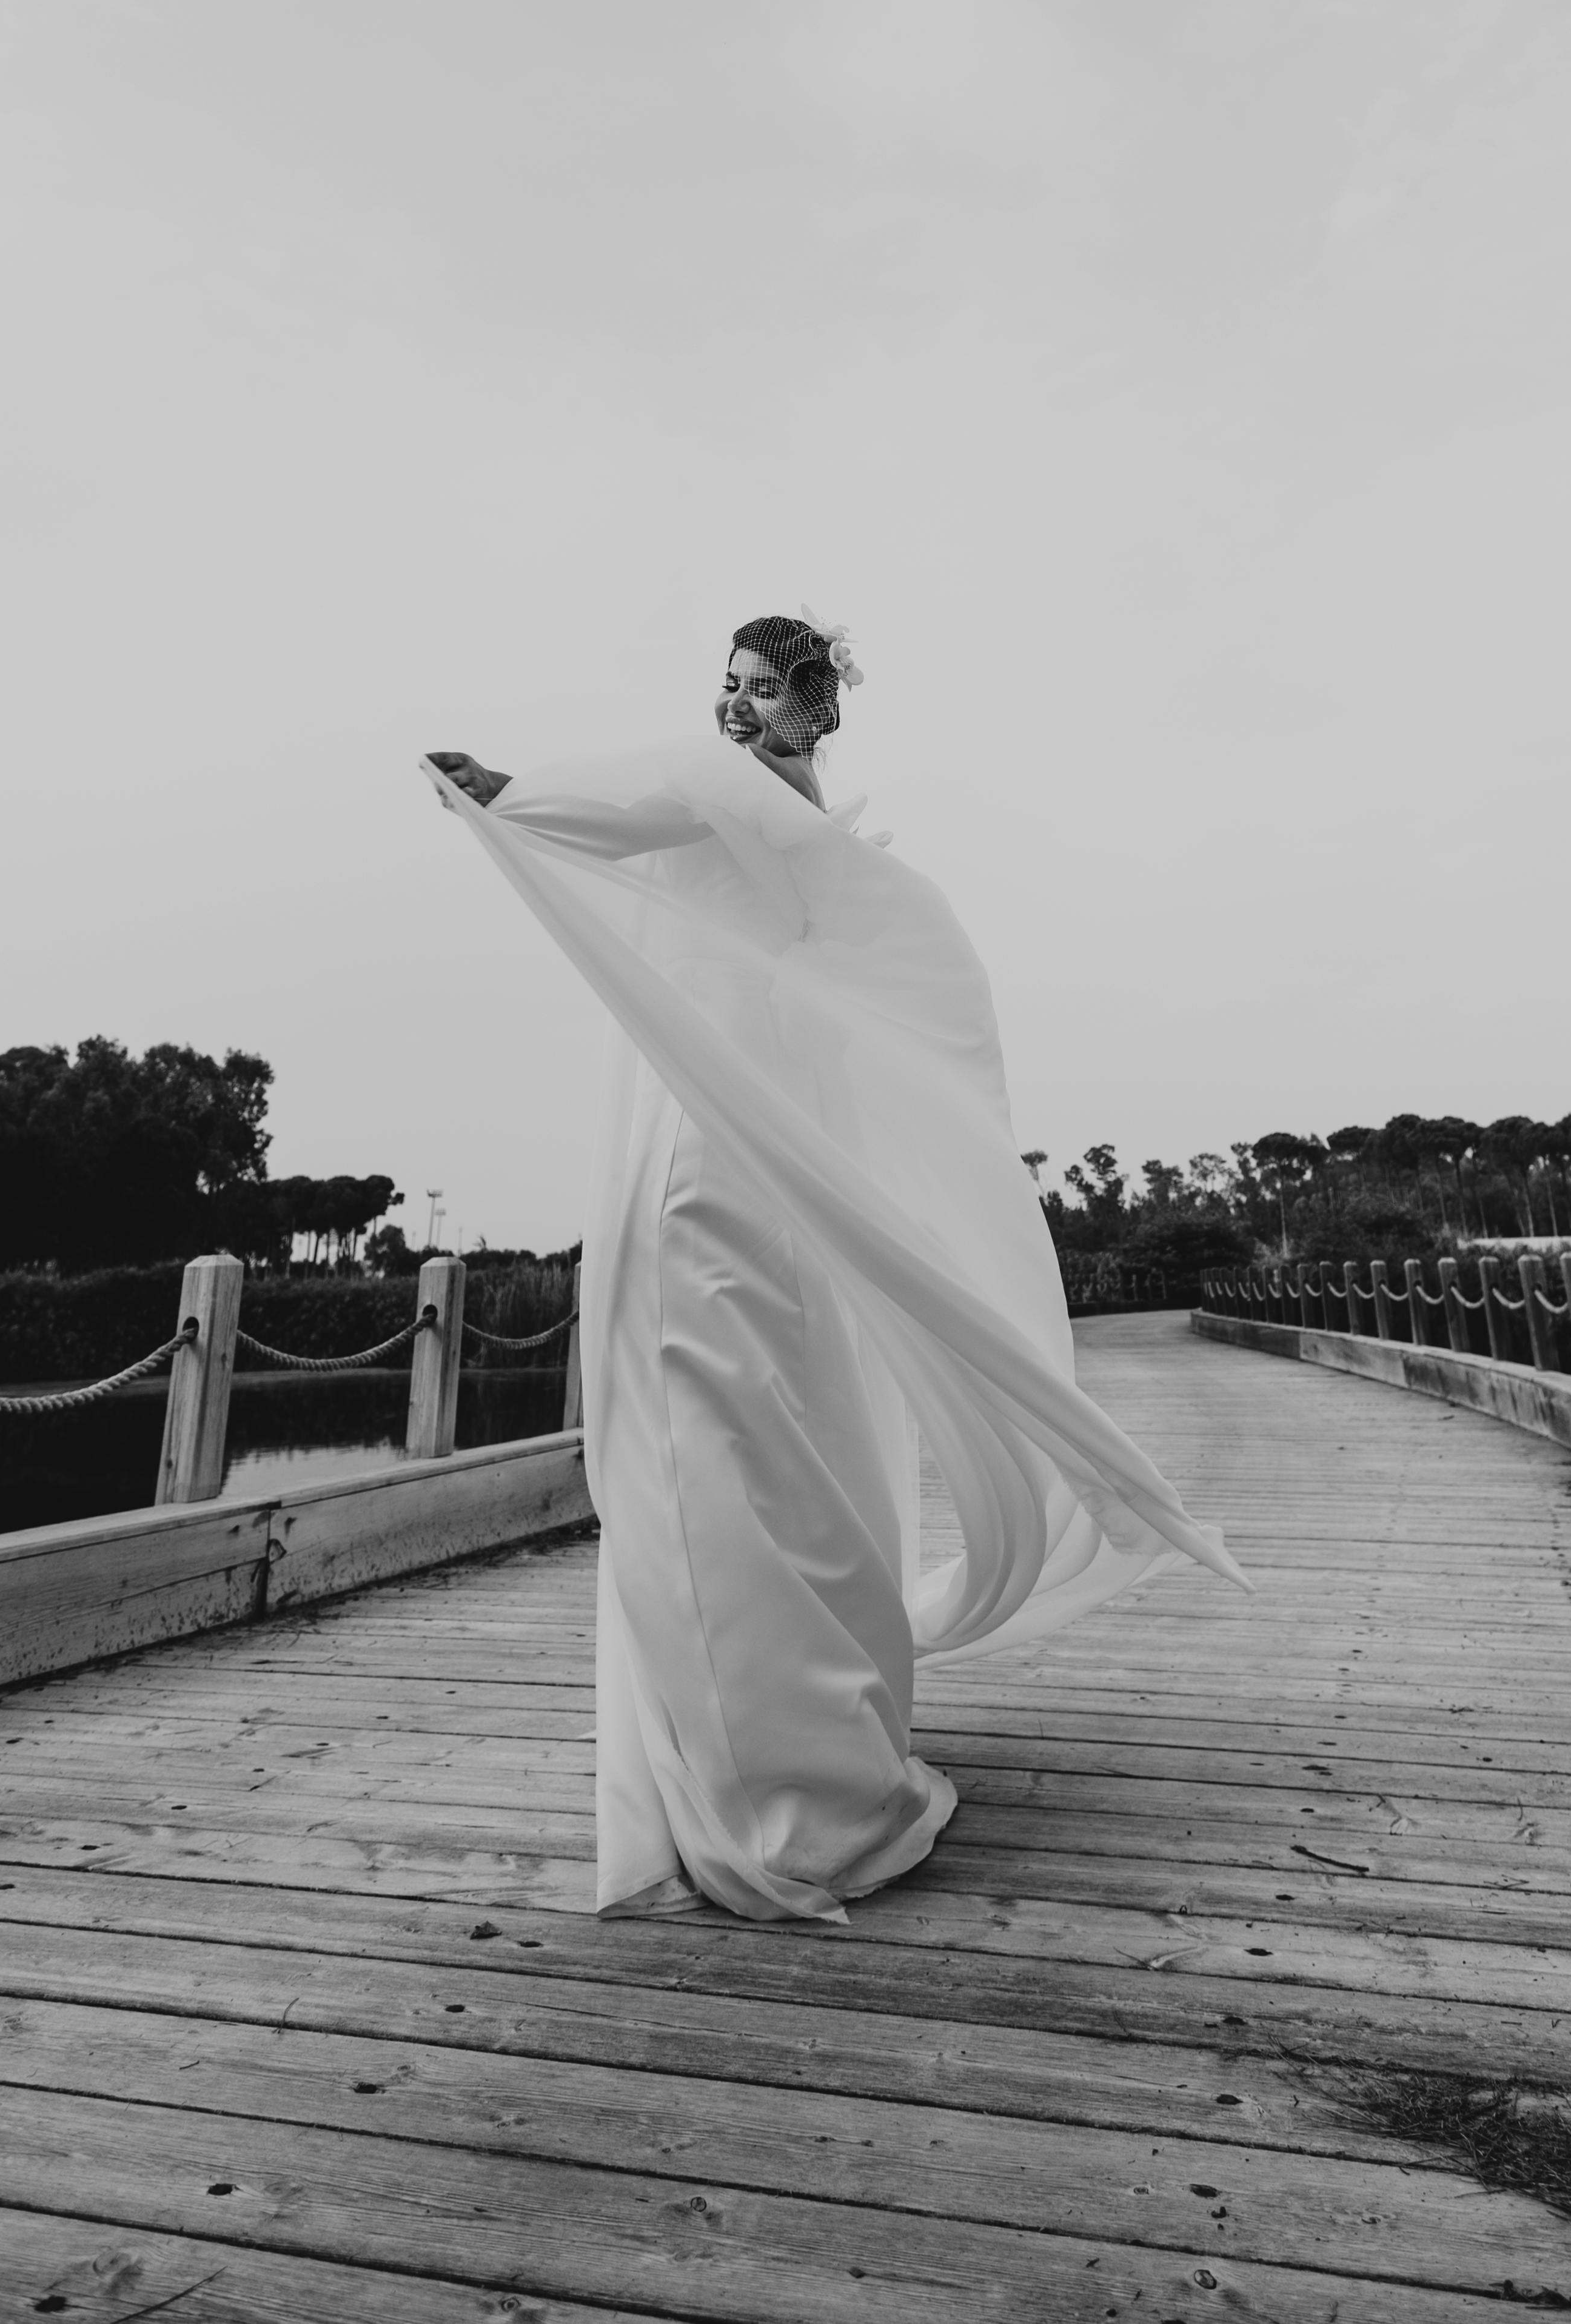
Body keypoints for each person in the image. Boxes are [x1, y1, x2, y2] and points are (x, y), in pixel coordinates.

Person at [426, 612, 1244, 1924]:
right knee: (755, 1445)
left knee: (734, 1444)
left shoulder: (758, 812)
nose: (735, 710)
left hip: (727, 1169)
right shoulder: (797, 828)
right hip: (750, 1162)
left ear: (817, 711)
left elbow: (624, 806)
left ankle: (782, 1793)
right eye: (727, 686)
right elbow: (640, 813)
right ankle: (789, 1772)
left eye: (762, 691)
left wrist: (506, 791)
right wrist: (518, 798)